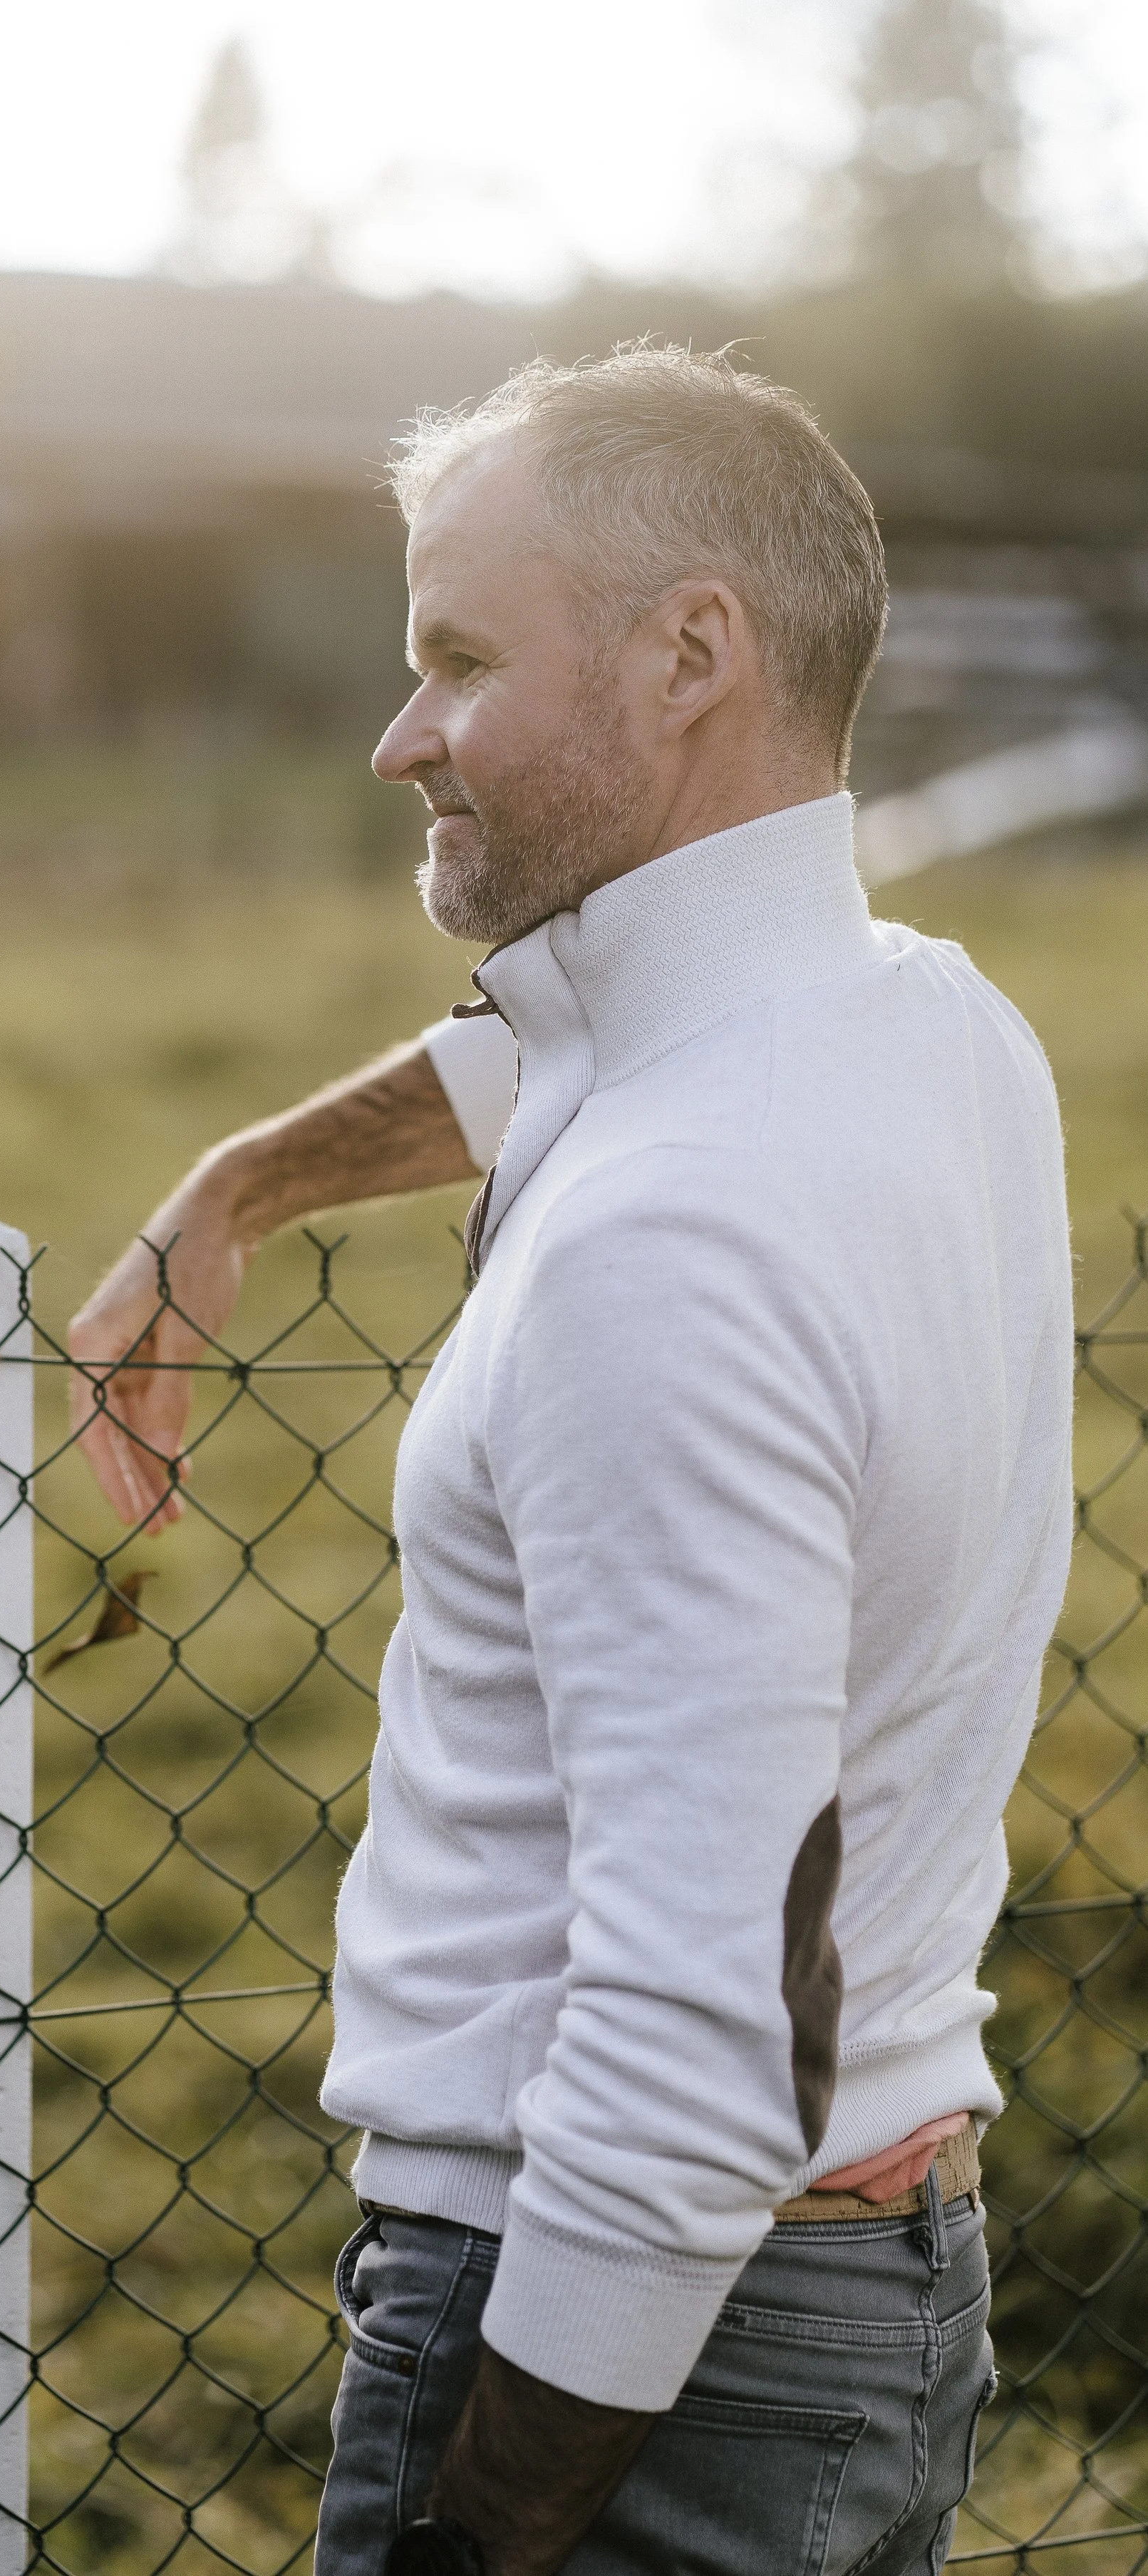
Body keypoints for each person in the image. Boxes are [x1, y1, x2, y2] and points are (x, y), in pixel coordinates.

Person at [67, 347, 1072, 2576]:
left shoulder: (674, 1243)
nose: (395, 730)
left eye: (454, 660)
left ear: (690, 652)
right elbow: (588, 1050)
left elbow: (707, 2025)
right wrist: (248, 1177)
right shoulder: (925, 1033)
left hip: (619, 2345)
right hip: (871, 2274)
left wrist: (478, 2535)